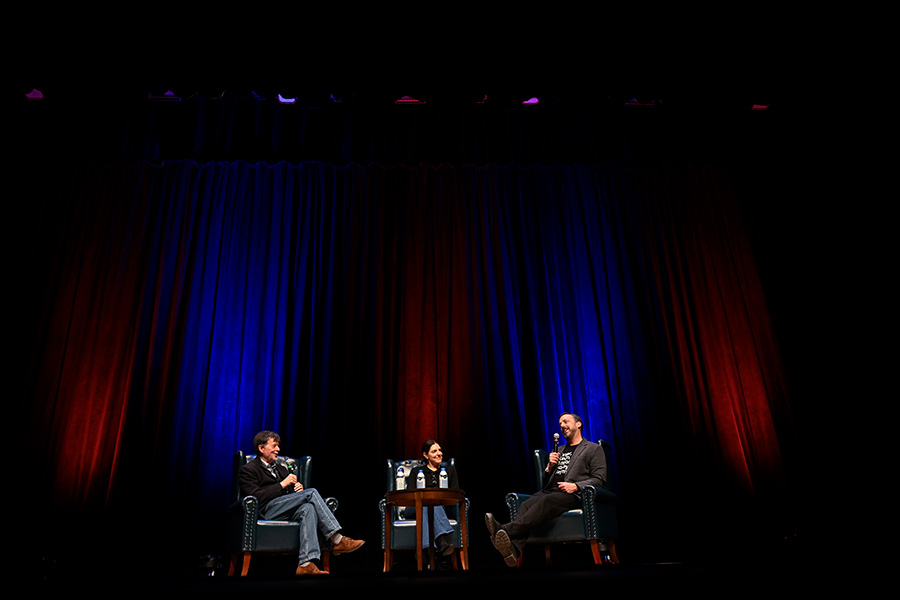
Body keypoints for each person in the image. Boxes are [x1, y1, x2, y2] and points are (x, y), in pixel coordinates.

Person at [484, 413, 606, 566]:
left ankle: (504, 529)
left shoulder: (593, 449)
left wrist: (575, 486)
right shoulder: (559, 450)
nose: (562, 425)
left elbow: (599, 479)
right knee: (526, 504)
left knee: (546, 501)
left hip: (572, 494)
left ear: (578, 424)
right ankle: (515, 548)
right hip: (551, 491)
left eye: (566, 422)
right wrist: (549, 468)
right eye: (560, 423)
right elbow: (545, 483)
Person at [238, 430, 365, 575]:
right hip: (266, 511)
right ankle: (336, 539)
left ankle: (306, 564)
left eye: (278, 446)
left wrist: (298, 491)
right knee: (311, 493)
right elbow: (256, 496)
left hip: (284, 509)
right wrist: (282, 484)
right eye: (274, 446)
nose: (278, 449)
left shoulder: (281, 469)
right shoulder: (248, 470)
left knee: (308, 507)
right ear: (261, 448)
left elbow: (289, 495)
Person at [403, 440, 458, 566]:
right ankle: (440, 542)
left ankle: (425, 553)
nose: (439, 453)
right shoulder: (416, 472)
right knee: (428, 501)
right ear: (425, 455)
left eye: (440, 450)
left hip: (441, 509)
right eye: (434, 451)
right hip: (414, 508)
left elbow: (454, 494)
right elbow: (410, 496)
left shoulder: (450, 471)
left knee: (432, 502)